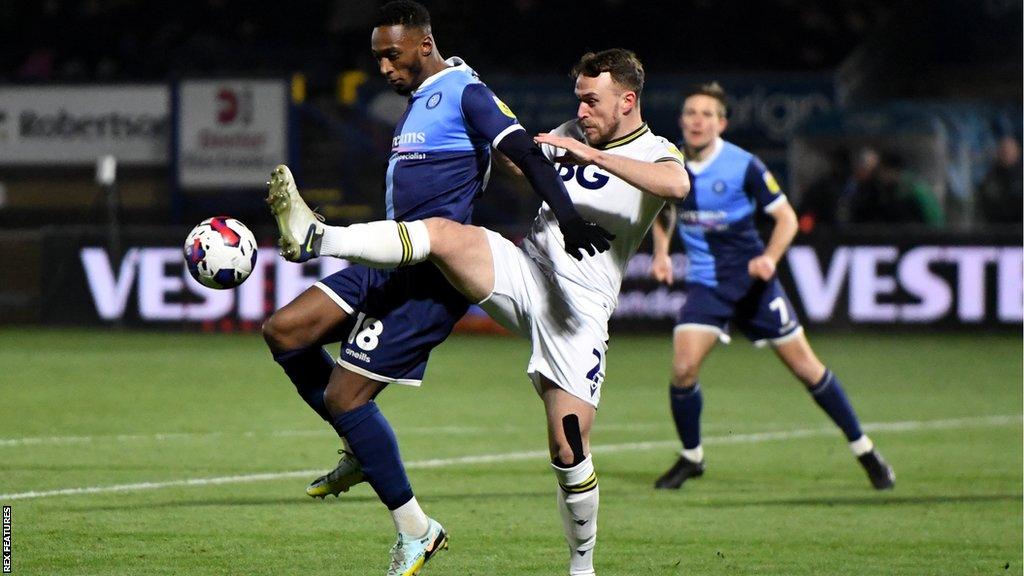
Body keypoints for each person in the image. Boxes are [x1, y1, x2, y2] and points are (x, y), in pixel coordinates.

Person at [269, 48, 688, 576]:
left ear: (627, 101)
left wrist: (592, 157)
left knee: (569, 448)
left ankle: (582, 566)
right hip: (523, 270)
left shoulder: (655, 149)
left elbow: (677, 186)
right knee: (446, 237)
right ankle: (321, 235)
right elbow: (524, 158)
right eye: (578, 101)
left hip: (577, 310)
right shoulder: (569, 132)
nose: (581, 113)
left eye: (591, 102)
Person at [649, 82, 895, 491]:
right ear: (681, 120)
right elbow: (661, 207)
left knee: (807, 369)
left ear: (721, 123)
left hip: (752, 284)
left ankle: (865, 449)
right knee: (682, 368)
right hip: (707, 286)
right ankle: (692, 457)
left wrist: (769, 258)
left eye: (707, 114)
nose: (697, 120)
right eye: (691, 112)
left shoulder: (744, 165)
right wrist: (660, 252)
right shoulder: (669, 162)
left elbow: (787, 219)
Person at [976, 135, 1023, 225]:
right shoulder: (991, 177)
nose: (1006, 153)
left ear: (1018, 152)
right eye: (1003, 150)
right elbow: (986, 204)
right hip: (998, 229)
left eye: (1009, 150)